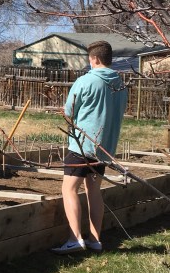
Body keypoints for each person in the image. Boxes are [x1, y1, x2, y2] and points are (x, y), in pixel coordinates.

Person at [52, 40, 127, 254]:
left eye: (89, 58)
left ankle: (75, 239)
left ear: (94, 58)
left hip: (82, 145)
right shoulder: (120, 84)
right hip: (103, 147)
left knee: (69, 189)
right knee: (93, 190)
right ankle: (94, 240)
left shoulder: (86, 81)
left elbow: (69, 111)